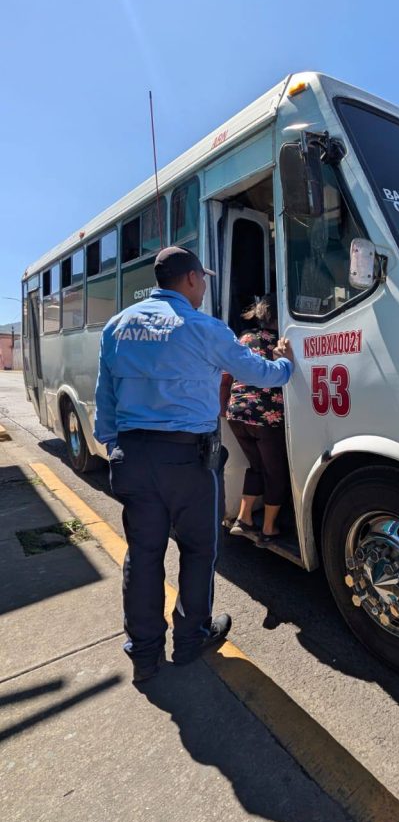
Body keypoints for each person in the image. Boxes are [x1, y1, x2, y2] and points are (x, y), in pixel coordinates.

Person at [94, 246, 294, 683]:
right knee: (198, 551)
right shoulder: (204, 327)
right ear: (189, 279)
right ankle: (190, 638)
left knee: (143, 555)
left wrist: (114, 448)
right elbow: (259, 373)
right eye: (202, 279)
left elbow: (104, 400)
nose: (204, 286)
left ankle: (144, 654)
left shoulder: (116, 326)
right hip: (188, 461)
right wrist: (285, 364)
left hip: (132, 456)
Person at [222, 295, 290, 546]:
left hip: (237, 413)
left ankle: (244, 518)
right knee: (275, 472)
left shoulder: (244, 338)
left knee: (257, 466)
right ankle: (269, 528)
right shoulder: (281, 342)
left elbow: (228, 374)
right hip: (265, 416)